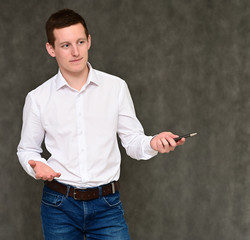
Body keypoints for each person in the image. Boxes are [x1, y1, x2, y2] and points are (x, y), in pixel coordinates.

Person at [17, 8, 185, 240]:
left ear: (89, 42)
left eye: (80, 42)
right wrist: (36, 166)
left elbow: (133, 141)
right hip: (59, 206)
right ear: (51, 49)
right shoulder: (38, 98)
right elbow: (27, 149)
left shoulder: (116, 88)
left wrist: (153, 143)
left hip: (107, 205)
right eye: (65, 45)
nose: (75, 51)